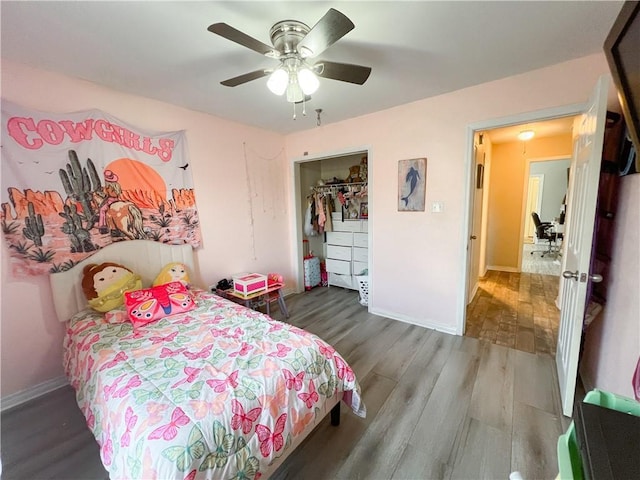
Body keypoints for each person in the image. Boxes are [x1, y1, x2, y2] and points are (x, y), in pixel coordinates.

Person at [98, 170, 122, 234]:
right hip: (116, 199)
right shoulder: (117, 185)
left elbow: (107, 194)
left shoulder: (108, 186)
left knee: (102, 210)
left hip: (110, 200)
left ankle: (103, 226)